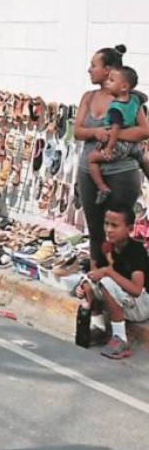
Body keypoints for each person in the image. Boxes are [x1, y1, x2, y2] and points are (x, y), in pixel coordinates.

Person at [74, 46, 149, 266]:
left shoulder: (129, 99)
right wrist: (96, 132)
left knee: (118, 233)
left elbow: (144, 131)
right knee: (95, 229)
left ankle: (123, 280)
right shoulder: (88, 97)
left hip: (121, 174)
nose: (89, 70)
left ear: (107, 70)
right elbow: (77, 131)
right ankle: (96, 280)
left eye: (93, 66)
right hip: (89, 172)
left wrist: (113, 135)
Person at [70, 204, 149, 360]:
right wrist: (83, 288)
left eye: (115, 225)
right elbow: (95, 276)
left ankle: (120, 339)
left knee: (106, 281)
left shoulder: (136, 251)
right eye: (106, 224)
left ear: (129, 228)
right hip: (121, 297)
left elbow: (136, 290)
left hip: (141, 304)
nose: (109, 229)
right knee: (89, 280)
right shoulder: (106, 247)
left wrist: (109, 272)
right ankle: (98, 327)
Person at [86, 66, 144, 204]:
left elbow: (115, 130)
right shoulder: (135, 99)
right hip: (133, 145)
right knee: (144, 159)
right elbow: (143, 97)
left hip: (119, 145)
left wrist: (109, 148)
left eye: (111, 80)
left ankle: (102, 188)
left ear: (124, 86)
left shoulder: (115, 108)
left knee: (91, 158)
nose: (107, 83)